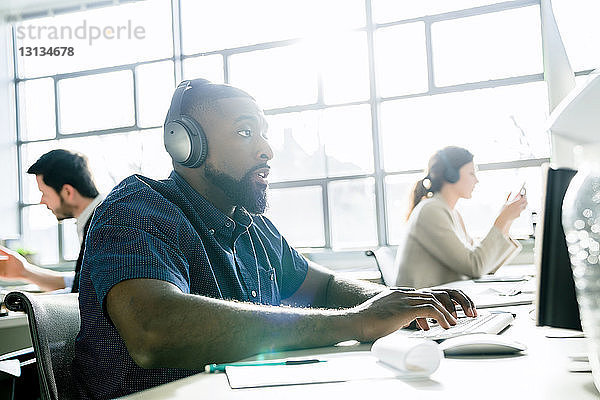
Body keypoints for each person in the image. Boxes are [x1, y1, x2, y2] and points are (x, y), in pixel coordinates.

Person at [73, 79, 477, 399]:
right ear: (186, 144)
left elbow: (326, 286)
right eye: (245, 132)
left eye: (264, 134)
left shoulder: (254, 225)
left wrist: (402, 303)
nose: (267, 149)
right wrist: (357, 321)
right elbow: (153, 331)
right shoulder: (139, 208)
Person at [394, 146, 528, 289]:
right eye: (471, 173)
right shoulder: (430, 210)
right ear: (451, 174)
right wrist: (502, 220)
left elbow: (484, 266)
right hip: (421, 308)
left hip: (438, 304)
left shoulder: (452, 213)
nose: (476, 180)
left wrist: (507, 219)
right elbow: (474, 267)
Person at [0, 149, 103, 292]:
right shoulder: (95, 219)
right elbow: (81, 283)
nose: (42, 201)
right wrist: (24, 271)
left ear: (67, 192)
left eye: (44, 193)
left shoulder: (104, 226)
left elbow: (86, 293)